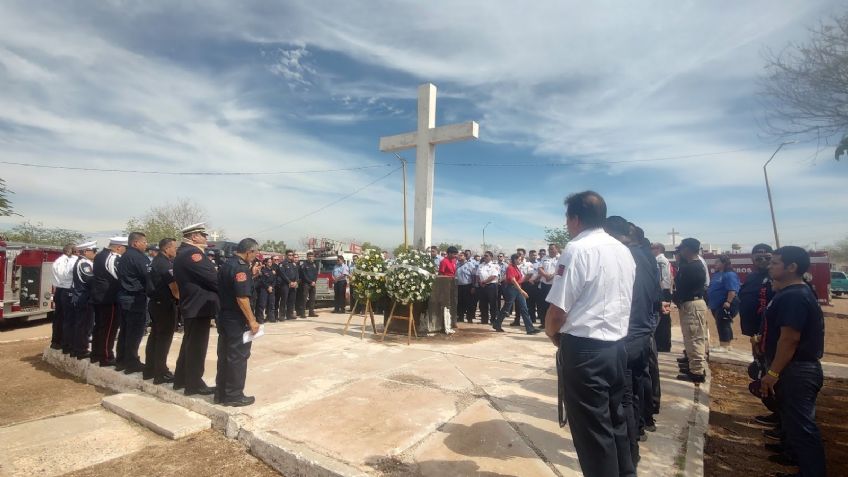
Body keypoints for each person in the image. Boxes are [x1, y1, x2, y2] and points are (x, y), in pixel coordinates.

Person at [544, 191, 636, 477]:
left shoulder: (577, 248)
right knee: (614, 421)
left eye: (568, 218)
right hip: (617, 347)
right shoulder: (622, 249)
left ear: (575, 219)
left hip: (585, 351)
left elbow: (557, 312)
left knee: (592, 433)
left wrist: (554, 336)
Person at [758, 246, 826, 477]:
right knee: (795, 427)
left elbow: (790, 339)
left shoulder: (795, 296)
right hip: (793, 369)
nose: (769, 265)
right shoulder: (790, 293)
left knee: (803, 430)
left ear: (792, 267)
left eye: (775, 262)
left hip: (797, 370)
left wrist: (773, 373)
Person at [605, 216, 661, 464]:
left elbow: (631, 300)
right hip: (642, 331)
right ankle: (639, 428)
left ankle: (628, 455)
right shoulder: (645, 254)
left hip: (629, 333)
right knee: (637, 387)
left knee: (623, 396)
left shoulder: (627, 256)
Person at [173, 223, 219, 396]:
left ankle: (181, 379)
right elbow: (212, 278)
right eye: (203, 234)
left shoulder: (184, 252)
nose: (206, 238)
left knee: (189, 344)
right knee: (197, 348)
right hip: (198, 306)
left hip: (194, 305)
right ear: (194, 237)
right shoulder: (192, 254)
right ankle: (194, 384)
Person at [215, 238, 261, 407]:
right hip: (236, 319)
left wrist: (252, 276)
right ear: (249, 251)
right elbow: (242, 297)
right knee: (238, 356)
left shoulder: (228, 264)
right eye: (255, 253)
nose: (255, 257)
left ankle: (221, 393)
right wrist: (252, 320)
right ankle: (234, 395)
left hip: (225, 316)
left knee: (225, 355)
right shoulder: (241, 267)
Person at [144, 238, 179, 384]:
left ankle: (150, 369)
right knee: (163, 339)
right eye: (174, 248)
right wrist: (181, 300)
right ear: (166, 249)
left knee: (155, 337)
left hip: (155, 303)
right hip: (164, 305)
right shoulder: (164, 264)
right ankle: (161, 373)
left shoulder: (155, 261)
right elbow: (174, 288)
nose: (175, 251)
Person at [115, 232, 151, 374]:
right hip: (135, 298)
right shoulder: (138, 257)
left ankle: (121, 360)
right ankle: (131, 363)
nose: (146, 245)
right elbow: (148, 275)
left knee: (124, 331)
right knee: (134, 332)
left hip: (124, 297)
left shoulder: (124, 256)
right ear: (135, 243)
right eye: (144, 242)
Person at [673, 238, 708, 383]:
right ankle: (692, 364)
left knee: (695, 338)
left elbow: (683, 287)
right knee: (690, 336)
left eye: (682, 249)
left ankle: (697, 372)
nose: (680, 252)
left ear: (688, 249)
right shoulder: (690, 265)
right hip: (689, 303)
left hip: (692, 303)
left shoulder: (694, 266)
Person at [89, 237, 126, 367]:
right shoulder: (112, 257)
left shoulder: (99, 255)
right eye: (124, 248)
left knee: (99, 327)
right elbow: (117, 276)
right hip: (108, 297)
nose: (124, 251)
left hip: (99, 296)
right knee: (109, 328)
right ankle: (106, 356)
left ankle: (95, 354)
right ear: (118, 247)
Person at [494, 253, 541, 335]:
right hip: (512, 289)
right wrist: (521, 290)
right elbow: (513, 280)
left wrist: (527, 278)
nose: (520, 260)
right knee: (507, 308)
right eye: (519, 259)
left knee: (524, 308)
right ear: (515, 259)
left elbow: (519, 279)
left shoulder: (516, 268)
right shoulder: (510, 268)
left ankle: (530, 329)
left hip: (517, 288)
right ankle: (497, 323)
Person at [706, 254, 740, 352]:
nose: (715, 264)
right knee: (721, 322)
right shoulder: (717, 274)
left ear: (724, 263)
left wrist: (728, 302)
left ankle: (725, 345)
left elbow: (732, 290)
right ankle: (727, 343)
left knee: (723, 322)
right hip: (715, 304)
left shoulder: (729, 274)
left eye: (717, 262)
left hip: (725, 303)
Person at [70, 241, 97, 359]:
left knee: (82, 324)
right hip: (83, 298)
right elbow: (90, 280)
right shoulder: (84, 264)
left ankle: (78, 348)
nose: (96, 253)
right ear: (86, 251)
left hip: (83, 297)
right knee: (84, 324)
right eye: (94, 251)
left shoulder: (84, 262)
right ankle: (80, 349)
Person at [51, 243, 78, 352]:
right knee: (68, 318)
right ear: (72, 251)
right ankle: (64, 342)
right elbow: (66, 275)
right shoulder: (68, 261)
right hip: (67, 289)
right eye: (76, 251)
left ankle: (56, 341)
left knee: (58, 317)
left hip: (59, 289)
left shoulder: (58, 261)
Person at [651, 243, 673, 353]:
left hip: (663, 291)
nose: (651, 250)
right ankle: (664, 344)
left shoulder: (660, 261)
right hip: (665, 291)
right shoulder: (662, 260)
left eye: (652, 248)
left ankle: (663, 345)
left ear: (659, 249)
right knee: (664, 319)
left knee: (663, 320)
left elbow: (660, 279)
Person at [535, 243, 560, 329]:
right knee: (543, 304)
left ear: (557, 249)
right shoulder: (544, 258)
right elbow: (540, 268)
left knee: (554, 305)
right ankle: (544, 323)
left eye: (552, 249)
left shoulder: (561, 258)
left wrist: (551, 276)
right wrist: (546, 276)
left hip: (556, 285)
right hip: (545, 285)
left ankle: (554, 324)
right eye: (549, 249)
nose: (550, 250)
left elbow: (562, 269)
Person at [477, 252, 499, 325]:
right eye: (484, 256)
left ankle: (493, 320)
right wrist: (480, 282)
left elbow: (493, 276)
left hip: (491, 286)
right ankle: (484, 320)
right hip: (482, 286)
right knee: (483, 303)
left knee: (492, 304)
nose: (485, 257)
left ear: (491, 257)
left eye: (486, 256)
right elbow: (477, 275)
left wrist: (484, 282)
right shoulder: (480, 265)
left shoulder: (495, 266)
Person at [456, 253, 477, 323]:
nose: (459, 257)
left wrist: (473, 286)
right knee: (460, 302)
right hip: (459, 286)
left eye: (461, 255)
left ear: (465, 257)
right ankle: (460, 317)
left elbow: (474, 276)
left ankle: (469, 318)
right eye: (458, 255)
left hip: (468, 286)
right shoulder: (457, 265)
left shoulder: (470, 265)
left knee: (469, 303)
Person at [279, 250, 299, 320]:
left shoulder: (294, 264)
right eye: (289, 255)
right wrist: (289, 282)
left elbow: (297, 274)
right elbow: (282, 274)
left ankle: (289, 314)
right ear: (286, 255)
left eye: (292, 255)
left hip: (293, 284)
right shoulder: (282, 264)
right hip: (285, 284)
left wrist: (296, 281)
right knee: (284, 300)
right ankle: (281, 316)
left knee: (291, 300)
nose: (291, 256)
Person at [298, 251, 319, 318]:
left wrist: (314, 281)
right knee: (304, 299)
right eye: (309, 256)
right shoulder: (304, 265)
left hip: (313, 284)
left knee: (312, 299)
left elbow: (316, 274)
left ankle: (311, 312)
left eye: (312, 256)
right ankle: (302, 313)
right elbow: (304, 275)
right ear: (307, 257)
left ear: (313, 257)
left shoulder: (315, 265)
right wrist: (310, 282)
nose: (310, 258)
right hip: (306, 284)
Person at [255, 258, 275, 323]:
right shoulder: (263, 271)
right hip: (264, 289)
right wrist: (267, 287)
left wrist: (271, 286)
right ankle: (260, 319)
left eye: (271, 262)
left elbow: (275, 280)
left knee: (271, 304)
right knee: (262, 304)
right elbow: (262, 280)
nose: (270, 263)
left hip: (271, 289)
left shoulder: (273, 271)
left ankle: (270, 317)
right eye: (269, 262)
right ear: (266, 263)